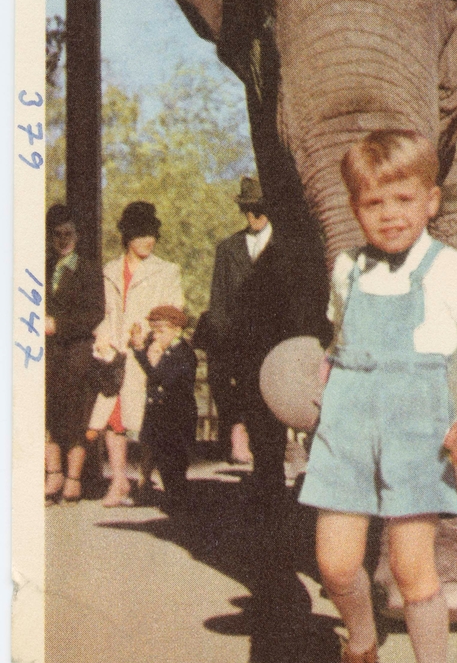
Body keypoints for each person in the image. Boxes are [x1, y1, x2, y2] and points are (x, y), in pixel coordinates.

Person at [299, 129, 457, 663]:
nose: (389, 215)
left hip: (415, 432)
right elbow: (340, 337)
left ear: (431, 201)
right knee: (335, 563)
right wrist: (327, 369)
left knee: (413, 570)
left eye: (403, 200)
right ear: (355, 208)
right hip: (346, 428)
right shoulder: (347, 269)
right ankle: (361, 643)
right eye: (373, 203)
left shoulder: (451, 269)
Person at [205, 176, 331, 504]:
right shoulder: (228, 249)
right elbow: (218, 303)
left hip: (283, 346)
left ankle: (303, 480)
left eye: (259, 208)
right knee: (255, 415)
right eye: (248, 209)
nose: (254, 215)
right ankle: (267, 481)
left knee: (293, 411)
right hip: (244, 348)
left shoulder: (290, 249)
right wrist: (225, 346)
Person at [90, 201, 184, 507]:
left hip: (147, 353)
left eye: (152, 234)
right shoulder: (109, 271)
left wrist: (155, 341)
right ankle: (118, 481)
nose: (148, 240)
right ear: (127, 236)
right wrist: (103, 339)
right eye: (141, 234)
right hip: (116, 354)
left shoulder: (167, 271)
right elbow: (103, 312)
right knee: (113, 417)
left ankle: (144, 478)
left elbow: (174, 313)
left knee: (148, 418)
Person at [44, 204, 105, 504]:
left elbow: (96, 313)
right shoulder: (42, 267)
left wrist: (59, 325)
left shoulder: (89, 269)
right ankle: (53, 473)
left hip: (77, 350)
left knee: (75, 414)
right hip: (49, 353)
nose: (63, 240)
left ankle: (73, 478)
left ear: (78, 236)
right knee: (48, 412)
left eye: (68, 234)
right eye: (57, 235)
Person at [130, 306, 197, 512]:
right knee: (163, 459)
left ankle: (177, 500)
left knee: (175, 460)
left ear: (177, 330)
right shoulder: (169, 351)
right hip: (161, 415)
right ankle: (172, 498)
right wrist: (140, 350)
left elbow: (161, 377)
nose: (156, 337)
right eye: (154, 331)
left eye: (161, 331)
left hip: (177, 417)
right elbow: (155, 376)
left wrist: (144, 355)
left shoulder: (183, 353)